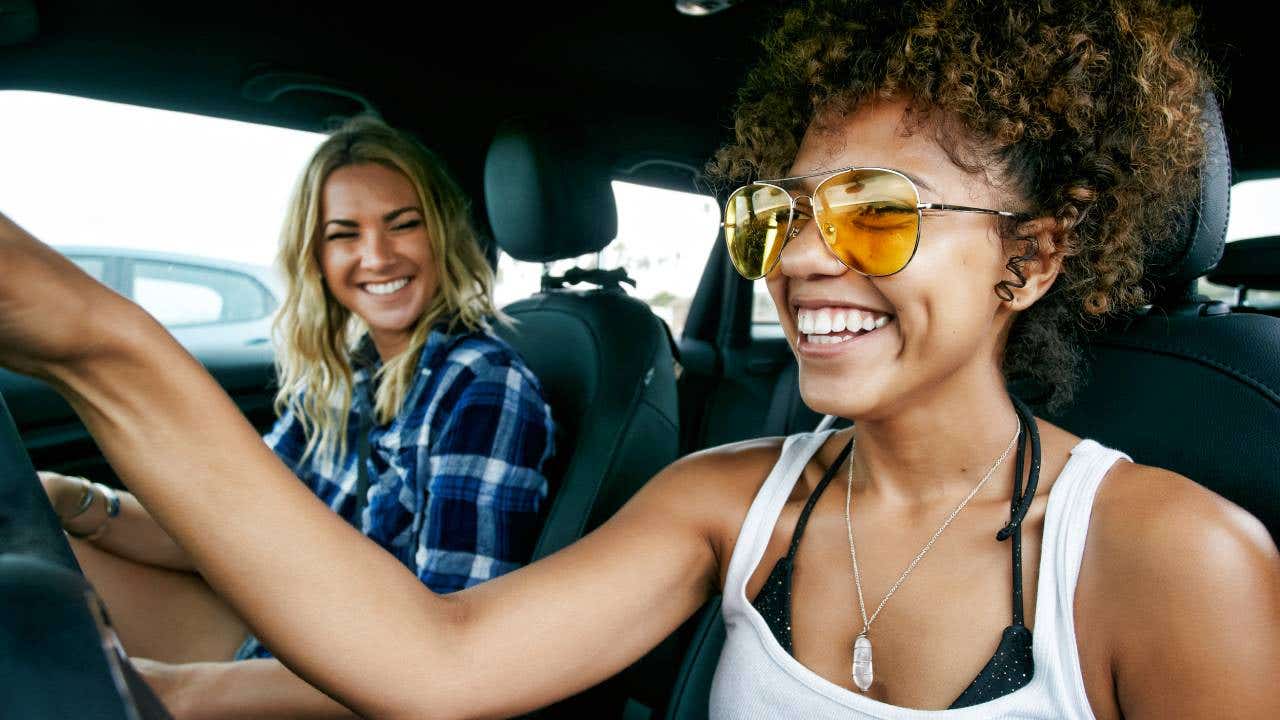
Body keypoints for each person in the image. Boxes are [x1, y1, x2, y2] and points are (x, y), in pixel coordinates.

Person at [1, 1, 1277, 718]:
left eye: (877, 210)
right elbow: (434, 664)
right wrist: (101, 348)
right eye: (777, 212)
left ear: (1030, 260)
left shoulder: (1169, 560)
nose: (803, 261)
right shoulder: (726, 501)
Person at [32, 116, 556, 718]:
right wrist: (78, 501)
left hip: (369, 685)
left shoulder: (484, 383)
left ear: (442, 233)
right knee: (43, 564)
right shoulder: (345, 375)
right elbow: (230, 529)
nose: (377, 256)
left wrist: (182, 690)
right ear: (317, 254)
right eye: (344, 234)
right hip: (289, 633)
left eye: (403, 225)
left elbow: (455, 649)